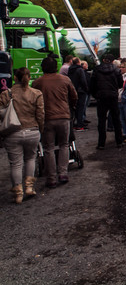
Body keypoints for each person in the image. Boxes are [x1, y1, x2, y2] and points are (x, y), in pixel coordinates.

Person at [0, 68, 45, 204]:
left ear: (15, 78)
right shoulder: (36, 93)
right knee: (31, 159)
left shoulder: (6, 94)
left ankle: (18, 193)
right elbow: (41, 115)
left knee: (16, 163)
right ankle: (29, 187)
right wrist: (40, 129)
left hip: (12, 132)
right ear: (29, 78)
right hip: (32, 130)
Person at [33, 56, 78, 188]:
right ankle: (63, 173)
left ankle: (51, 178)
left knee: (48, 148)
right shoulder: (65, 79)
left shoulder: (37, 82)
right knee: (64, 144)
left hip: (47, 118)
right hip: (64, 116)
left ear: (42, 68)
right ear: (56, 67)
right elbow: (74, 96)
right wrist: (71, 106)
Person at [90, 53, 124, 150]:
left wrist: (95, 95)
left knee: (101, 121)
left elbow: (92, 85)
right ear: (113, 61)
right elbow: (120, 84)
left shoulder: (97, 70)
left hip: (101, 97)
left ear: (104, 60)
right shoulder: (116, 70)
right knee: (116, 119)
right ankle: (119, 141)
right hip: (113, 96)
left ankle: (101, 143)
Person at [68, 57, 89, 131]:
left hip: (73, 90)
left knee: (74, 108)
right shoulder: (80, 70)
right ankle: (80, 125)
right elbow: (83, 81)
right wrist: (86, 89)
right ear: (78, 62)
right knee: (81, 108)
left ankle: (74, 124)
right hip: (81, 91)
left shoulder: (70, 69)